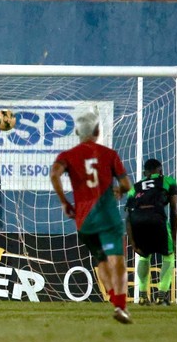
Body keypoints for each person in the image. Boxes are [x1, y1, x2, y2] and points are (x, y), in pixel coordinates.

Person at [50, 108, 133, 324]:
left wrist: (64, 202)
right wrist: (120, 191)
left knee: (101, 261)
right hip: (107, 217)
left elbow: (54, 174)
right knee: (117, 261)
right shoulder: (109, 154)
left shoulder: (67, 156)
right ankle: (120, 306)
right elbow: (126, 184)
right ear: (97, 130)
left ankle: (114, 300)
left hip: (84, 220)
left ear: (78, 132)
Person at [126, 158, 177, 306]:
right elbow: (174, 210)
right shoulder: (168, 181)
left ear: (145, 173)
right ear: (160, 171)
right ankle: (162, 295)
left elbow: (128, 216)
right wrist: (174, 238)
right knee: (168, 256)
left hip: (137, 220)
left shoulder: (135, 187)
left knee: (144, 256)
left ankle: (143, 295)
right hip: (156, 218)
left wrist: (132, 242)